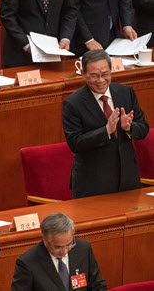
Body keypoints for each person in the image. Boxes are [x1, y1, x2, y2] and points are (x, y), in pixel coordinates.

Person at [62, 49, 149, 199]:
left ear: (111, 71)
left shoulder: (125, 92)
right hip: (93, 184)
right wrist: (106, 130)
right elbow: (75, 143)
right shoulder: (73, 103)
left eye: (105, 74)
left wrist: (129, 128)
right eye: (94, 76)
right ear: (83, 75)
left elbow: (143, 128)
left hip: (128, 179)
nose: (100, 80)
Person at [11, 213, 107, 291]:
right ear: (45, 240)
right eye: (58, 247)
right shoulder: (27, 263)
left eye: (69, 244)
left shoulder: (83, 249)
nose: (64, 251)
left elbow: (97, 285)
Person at [0, 0, 78, 68]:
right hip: (21, 55)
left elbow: (70, 11)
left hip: (54, 54)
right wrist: (26, 45)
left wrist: (65, 38)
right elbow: (8, 16)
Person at [71, 0, 137, 57]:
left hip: (113, 33)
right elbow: (73, 9)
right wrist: (87, 39)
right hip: (87, 36)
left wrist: (126, 25)